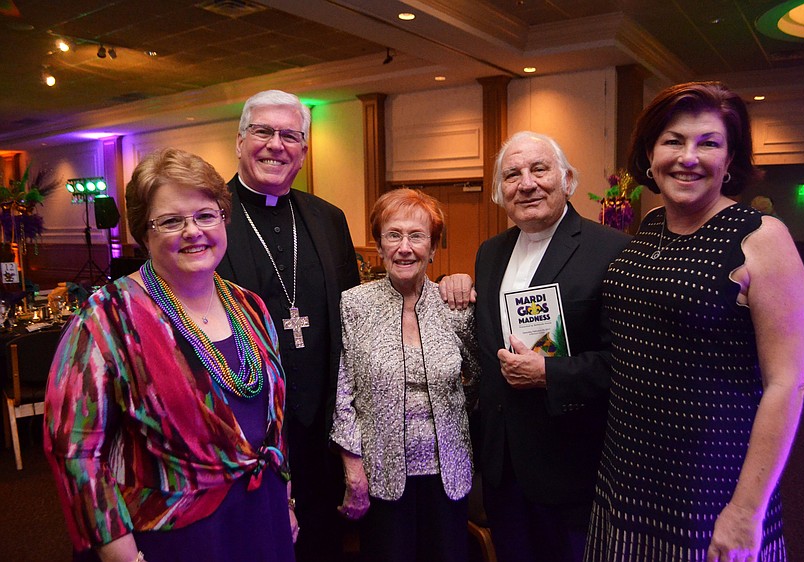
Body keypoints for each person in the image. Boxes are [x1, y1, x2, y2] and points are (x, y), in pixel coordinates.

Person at [584, 82, 804, 562]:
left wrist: (746, 511)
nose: (689, 156)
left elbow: (787, 384)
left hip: (710, 488)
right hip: (624, 478)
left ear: (730, 161)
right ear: (650, 153)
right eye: (673, 140)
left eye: (708, 142)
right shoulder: (648, 228)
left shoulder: (762, 238)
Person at [44, 148, 297, 562]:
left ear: (223, 218)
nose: (192, 231)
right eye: (171, 221)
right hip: (176, 535)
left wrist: (285, 498)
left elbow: (274, 422)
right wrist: (118, 552)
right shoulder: (107, 317)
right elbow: (73, 450)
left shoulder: (250, 305)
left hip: (261, 515)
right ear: (144, 233)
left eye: (205, 215)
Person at [216, 90, 361, 561]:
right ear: (240, 141)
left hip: (321, 432)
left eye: (290, 135)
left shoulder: (328, 219)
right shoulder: (208, 220)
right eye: (263, 131)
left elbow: (354, 323)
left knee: (322, 545)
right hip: (245, 434)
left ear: (303, 150)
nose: (276, 144)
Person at [474, 131, 630, 562]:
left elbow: (626, 363)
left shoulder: (612, 250)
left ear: (568, 180)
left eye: (539, 169)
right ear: (498, 192)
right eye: (512, 175)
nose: (526, 183)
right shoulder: (489, 253)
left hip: (571, 466)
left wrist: (550, 374)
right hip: (503, 466)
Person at [330, 188, 479, 561]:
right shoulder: (355, 304)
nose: (405, 247)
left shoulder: (454, 304)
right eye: (393, 235)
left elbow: (479, 376)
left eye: (416, 236)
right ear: (379, 245)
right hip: (381, 473)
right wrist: (353, 467)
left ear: (433, 246)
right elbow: (342, 392)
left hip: (450, 472)